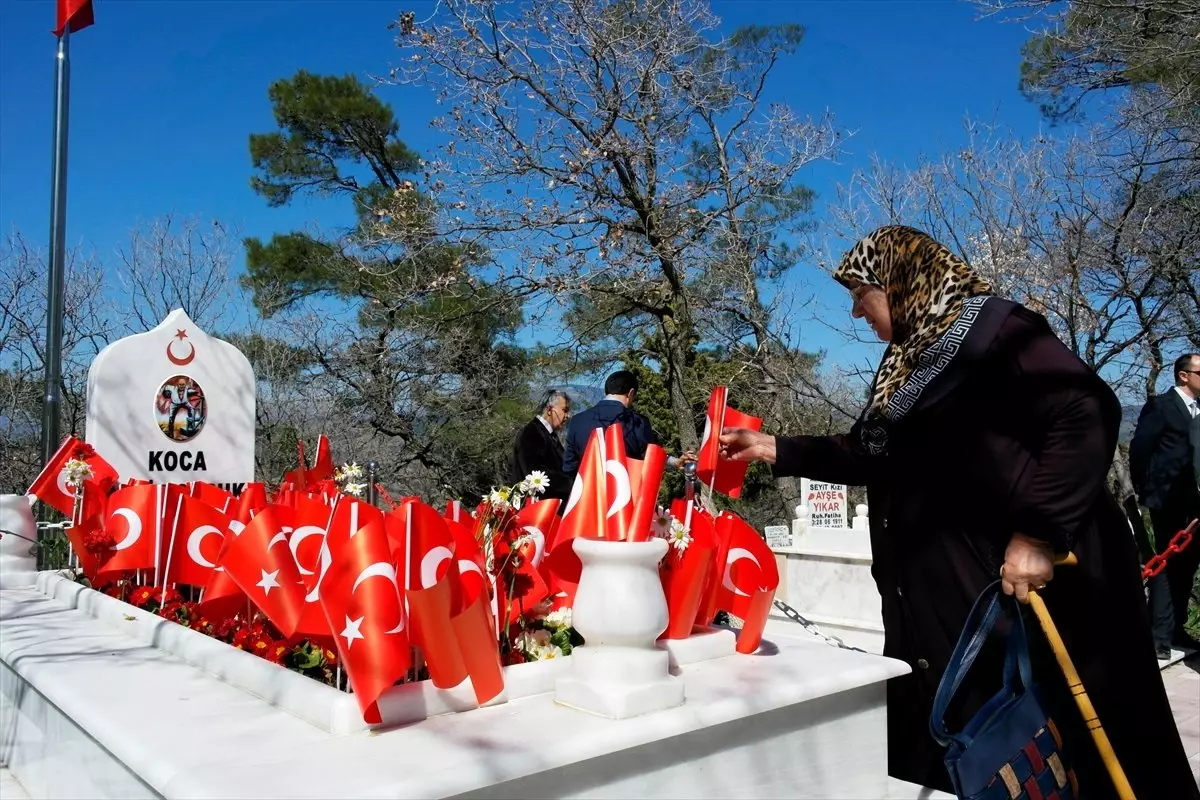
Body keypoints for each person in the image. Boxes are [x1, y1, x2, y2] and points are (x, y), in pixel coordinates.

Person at [718, 225, 1197, 798]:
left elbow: (1085, 410)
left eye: (859, 294)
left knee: (1059, 749)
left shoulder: (998, 332)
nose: (854, 313)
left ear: (899, 283)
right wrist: (776, 447)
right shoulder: (911, 362)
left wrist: (1038, 534)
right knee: (980, 749)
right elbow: (874, 453)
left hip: (1028, 591)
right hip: (949, 594)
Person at [1130, 353, 1200, 656]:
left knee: (1188, 566)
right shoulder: (1162, 406)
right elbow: (1140, 449)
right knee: (1165, 564)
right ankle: (1158, 635)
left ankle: (1177, 630)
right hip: (1167, 501)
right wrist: (1146, 492)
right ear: (1184, 375)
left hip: (1195, 505)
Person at [562, 370, 695, 478]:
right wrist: (676, 462)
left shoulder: (577, 421)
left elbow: (569, 467)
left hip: (587, 500)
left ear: (605, 392)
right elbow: (651, 457)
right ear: (631, 393)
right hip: (624, 501)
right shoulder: (638, 422)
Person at [507, 389, 573, 501]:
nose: (567, 416)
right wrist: (571, 483)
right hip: (534, 508)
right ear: (549, 409)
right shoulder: (532, 433)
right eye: (564, 410)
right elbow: (535, 473)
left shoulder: (549, 435)